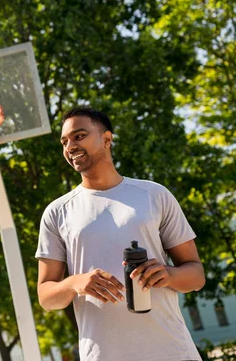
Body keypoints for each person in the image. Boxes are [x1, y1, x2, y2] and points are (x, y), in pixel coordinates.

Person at [36, 107, 205, 361]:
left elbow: (196, 276)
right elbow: (46, 297)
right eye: (64, 141)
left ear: (106, 139)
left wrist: (167, 273)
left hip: (172, 351)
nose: (70, 145)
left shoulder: (154, 195)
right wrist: (75, 283)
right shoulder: (57, 212)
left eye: (79, 136)